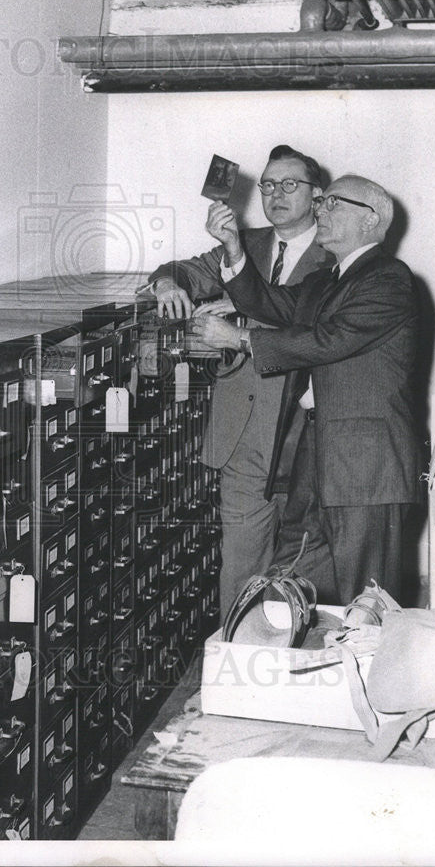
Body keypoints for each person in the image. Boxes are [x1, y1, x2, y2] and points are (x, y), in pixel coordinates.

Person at [191, 174, 423, 605]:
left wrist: (238, 338)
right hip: (315, 451)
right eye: (323, 202)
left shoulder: (388, 279)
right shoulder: (324, 281)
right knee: (291, 580)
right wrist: (234, 248)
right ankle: (286, 666)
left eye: (334, 203)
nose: (320, 210)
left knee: (366, 600)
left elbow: (331, 340)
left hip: (365, 469)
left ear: (370, 220)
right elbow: (270, 302)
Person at [147, 145, 334, 615]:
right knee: (241, 566)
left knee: (304, 568)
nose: (276, 194)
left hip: (304, 434)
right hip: (244, 434)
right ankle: (238, 668)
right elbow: (184, 270)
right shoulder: (247, 243)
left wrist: (240, 313)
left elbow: (308, 321)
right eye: (269, 185)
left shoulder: (335, 251)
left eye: (290, 184)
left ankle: (291, 672)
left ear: (317, 196)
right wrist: (167, 284)